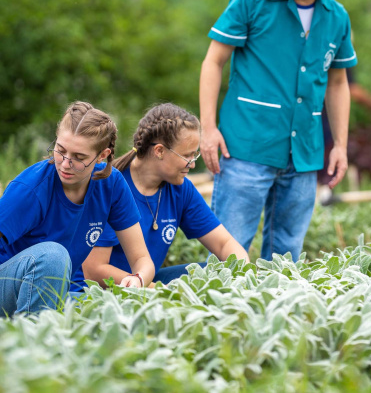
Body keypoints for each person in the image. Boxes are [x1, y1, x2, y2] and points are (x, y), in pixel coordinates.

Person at [0, 101, 154, 321]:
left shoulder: (112, 185)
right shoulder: (32, 188)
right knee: (54, 256)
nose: (65, 163)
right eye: (60, 150)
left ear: (103, 155)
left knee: (102, 312)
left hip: (47, 289)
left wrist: (139, 280)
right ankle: (31, 348)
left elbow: (142, 260)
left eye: (78, 157)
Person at [199, 0, 359, 260]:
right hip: (244, 148)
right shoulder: (251, 0)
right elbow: (213, 62)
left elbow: (338, 81)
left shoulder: (336, 17)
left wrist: (341, 146)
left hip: (303, 154)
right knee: (228, 252)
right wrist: (208, 129)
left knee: (287, 257)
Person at [83, 103, 248, 286]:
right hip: (103, 291)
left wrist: (245, 274)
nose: (192, 164)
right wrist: (160, 292)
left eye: (195, 156)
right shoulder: (109, 184)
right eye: (187, 156)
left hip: (147, 284)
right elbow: (94, 270)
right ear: (159, 151)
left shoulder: (181, 189)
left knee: (213, 273)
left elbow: (224, 244)